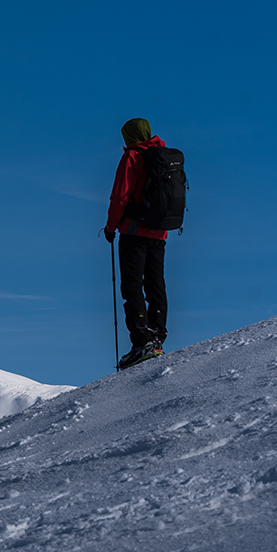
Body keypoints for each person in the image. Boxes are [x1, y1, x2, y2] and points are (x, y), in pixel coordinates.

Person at [104, 117, 169, 370]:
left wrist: (110, 228)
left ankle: (141, 340)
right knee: (156, 284)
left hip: (134, 231)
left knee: (132, 286)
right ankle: (158, 336)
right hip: (159, 233)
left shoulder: (132, 156)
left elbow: (120, 196)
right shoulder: (163, 155)